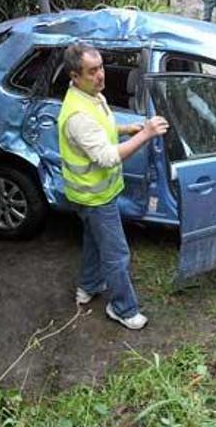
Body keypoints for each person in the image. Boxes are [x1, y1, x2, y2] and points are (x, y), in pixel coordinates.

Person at [57, 43, 169, 330]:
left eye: (101, 68)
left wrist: (124, 129)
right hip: (94, 197)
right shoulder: (78, 116)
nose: (101, 76)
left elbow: (101, 128)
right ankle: (123, 308)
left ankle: (88, 286)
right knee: (117, 254)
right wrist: (145, 134)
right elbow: (107, 157)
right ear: (74, 75)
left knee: (95, 242)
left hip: (90, 193)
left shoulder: (89, 96)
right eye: (92, 71)